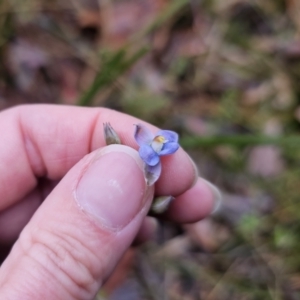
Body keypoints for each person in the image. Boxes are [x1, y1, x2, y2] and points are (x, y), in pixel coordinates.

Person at [0, 105, 220, 299]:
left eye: (161, 142)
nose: (160, 142)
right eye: (158, 141)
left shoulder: (149, 153)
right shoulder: (143, 144)